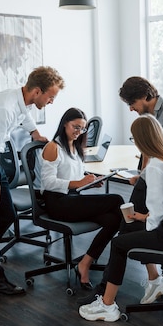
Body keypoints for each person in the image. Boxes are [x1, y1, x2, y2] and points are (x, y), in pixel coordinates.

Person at [0, 66, 64, 296]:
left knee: (7, 215)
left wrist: (34, 132)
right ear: (37, 91)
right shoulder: (4, 109)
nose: (51, 101)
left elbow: (24, 114)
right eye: (51, 97)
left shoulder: (19, 99)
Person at [78, 114, 163, 322]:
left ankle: (107, 305)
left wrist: (144, 219)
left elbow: (157, 217)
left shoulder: (156, 166)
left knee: (119, 243)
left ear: (141, 140)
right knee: (131, 228)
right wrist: (143, 217)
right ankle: (155, 280)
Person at [39, 108, 125, 290]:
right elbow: (47, 182)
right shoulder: (53, 147)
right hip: (58, 202)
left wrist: (89, 182)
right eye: (75, 127)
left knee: (113, 219)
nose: (78, 132)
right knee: (117, 199)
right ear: (64, 124)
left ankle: (85, 263)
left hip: (72, 199)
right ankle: (128, 246)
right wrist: (78, 183)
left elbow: (74, 175)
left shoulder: (76, 146)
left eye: (82, 129)